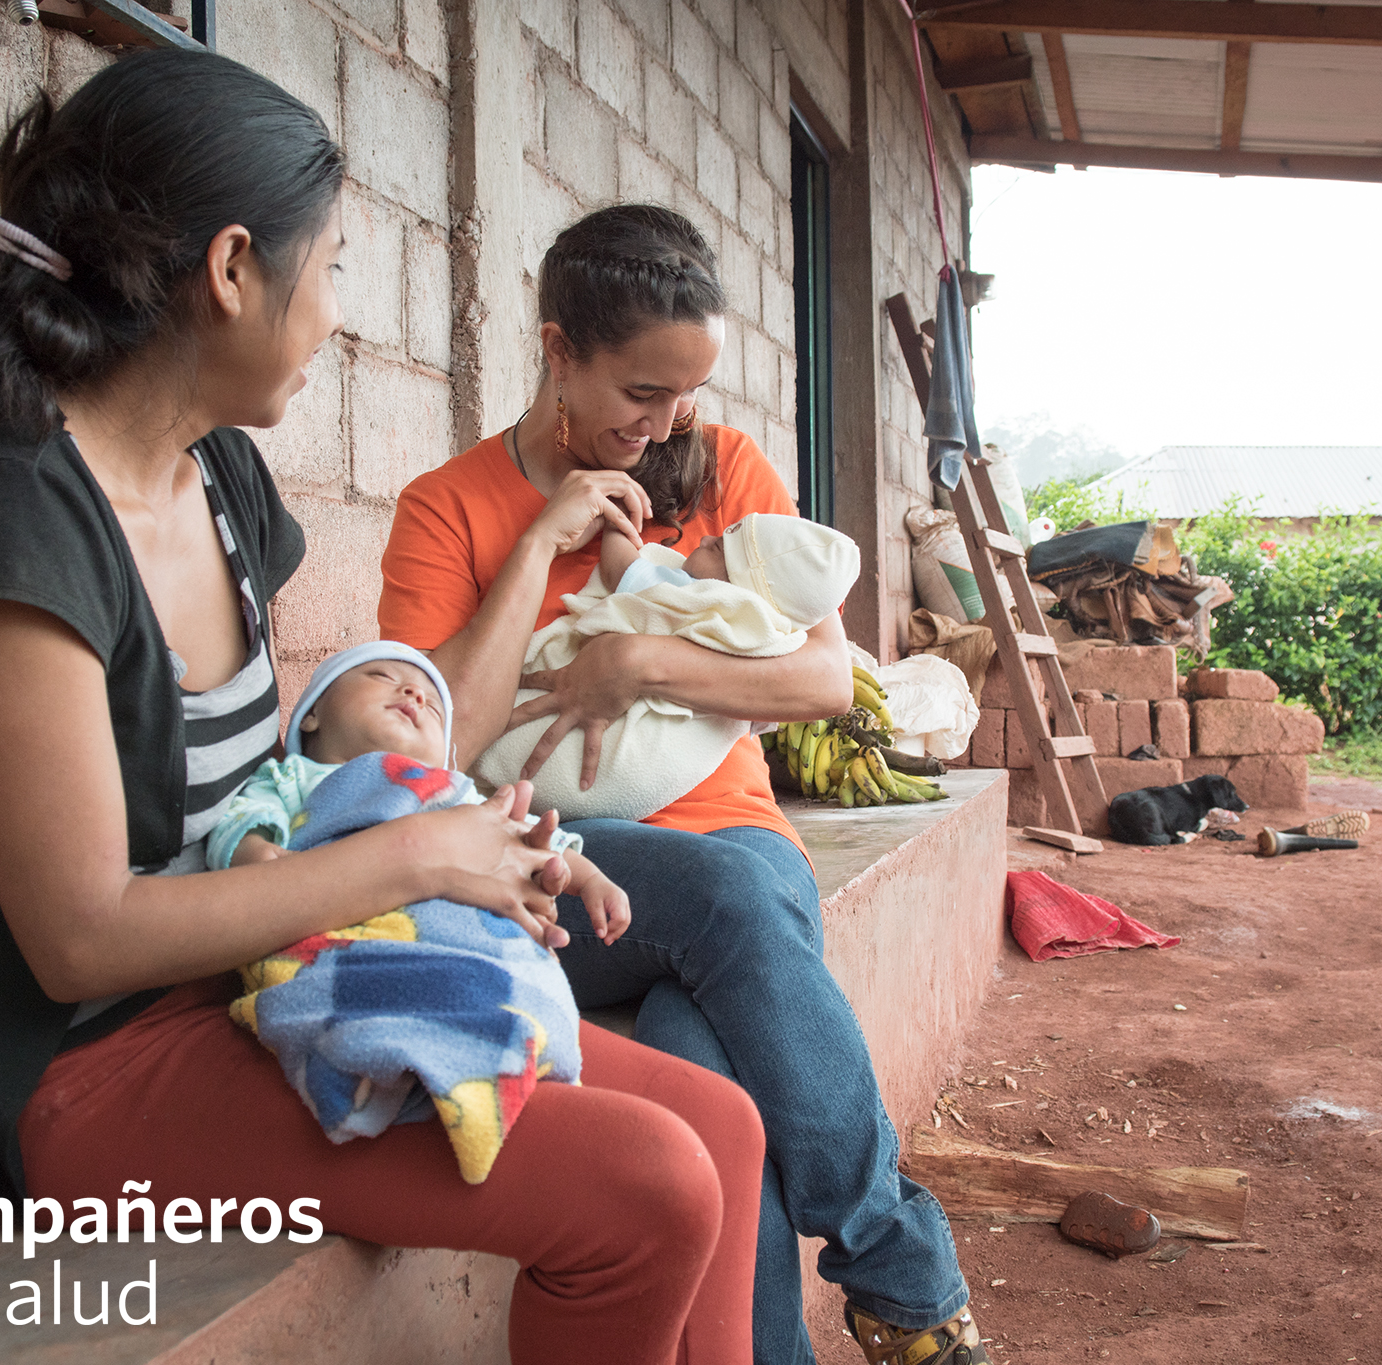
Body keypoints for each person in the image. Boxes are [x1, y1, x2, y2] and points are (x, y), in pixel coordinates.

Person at [0, 53, 759, 1364]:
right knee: (648, 1185)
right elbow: (81, 944)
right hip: (90, 1071)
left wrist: (451, 825)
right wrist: (417, 855)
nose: (334, 317)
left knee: (719, 1125)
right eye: (326, 270)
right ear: (229, 271)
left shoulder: (218, 481)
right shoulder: (6, 518)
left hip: (265, 980)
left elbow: (313, 773)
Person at [379, 204, 983, 1365]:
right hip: (544, 871)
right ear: (558, 349)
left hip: (740, 858)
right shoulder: (444, 510)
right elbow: (427, 750)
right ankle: (900, 1271)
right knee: (716, 905)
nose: (667, 424)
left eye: (686, 395)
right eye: (640, 395)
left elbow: (819, 680)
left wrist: (638, 659)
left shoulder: (719, 470)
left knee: (707, 1090)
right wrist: (538, 545)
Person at [204, 641, 629, 1184]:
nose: (413, 694)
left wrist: (590, 879)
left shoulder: (457, 797)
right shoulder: (292, 780)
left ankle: (493, 1052)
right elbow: (242, 822)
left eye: (432, 704)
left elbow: (535, 840)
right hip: (353, 927)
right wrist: (258, 855)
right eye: (382, 676)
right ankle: (373, 1062)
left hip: (454, 937)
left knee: (502, 971)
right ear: (310, 714)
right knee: (349, 979)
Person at [473, 512, 862, 822]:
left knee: (500, 739)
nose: (707, 538)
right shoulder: (771, 638)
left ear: (740, 587)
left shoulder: (692, 597)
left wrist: (617, 521)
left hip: (679, 788)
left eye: (721, 549)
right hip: (659, 796)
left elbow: (618, 568)